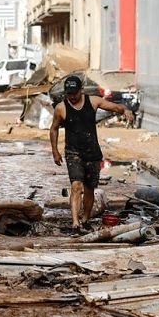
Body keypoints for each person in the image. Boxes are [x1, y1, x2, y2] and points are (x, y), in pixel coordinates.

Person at [49, 75, 134, 230]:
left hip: (92, 153)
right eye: (69, 93)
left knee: (89, 189)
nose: (72, 97)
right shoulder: (61, 108)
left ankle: (85, 219)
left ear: (81, 90)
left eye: (75, 93)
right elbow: (54, 128)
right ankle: (75, 222)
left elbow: (114, 107)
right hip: (73, 152)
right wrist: (55, 151)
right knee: (76, 186)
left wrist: (126, 110)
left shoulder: (93, 101)